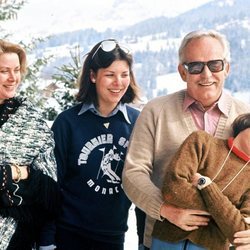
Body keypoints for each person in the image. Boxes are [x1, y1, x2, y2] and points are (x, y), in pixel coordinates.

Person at [122, 29, 250, 249]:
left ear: (226, 68)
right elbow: (133, 173)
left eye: (215, 65)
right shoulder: (156, 111)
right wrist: (165, 209)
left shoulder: (244, 117)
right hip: (162, 240)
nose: (207, 75)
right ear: (182, 72)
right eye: (196, 67)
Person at [50, 39, 141, 250]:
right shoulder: (67, 123)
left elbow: (143, 184)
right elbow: (51, 187)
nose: (118, 82)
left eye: (124, 75)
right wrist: (47, 240)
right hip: (68, 235)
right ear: (93, 76)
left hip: (113, 235)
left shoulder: (138, 123)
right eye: (110, 75)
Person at [151, 113, 250, 249]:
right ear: (246, 124)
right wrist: (227, 216)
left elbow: (240, 231)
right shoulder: (202, 141)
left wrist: (206, 185)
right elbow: (172, 189)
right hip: (167, 238)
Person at [0, 39, 59, 250]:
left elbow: (49, 189)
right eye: (4, 71)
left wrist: (14, 173)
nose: (12, 78)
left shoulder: (31, 120)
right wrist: (16, 173)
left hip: (19, 236)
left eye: (16, 70)